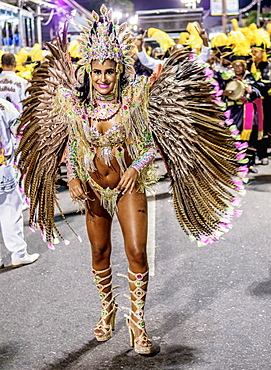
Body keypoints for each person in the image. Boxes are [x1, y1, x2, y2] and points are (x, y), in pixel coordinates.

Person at [16, 5, 247, 355]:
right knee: (99, 250)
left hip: (127, 188)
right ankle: (107, 310)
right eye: (97, 72)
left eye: (110, 71)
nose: (104, 79)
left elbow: (145, 145)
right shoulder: (75, 105)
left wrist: (135, 168)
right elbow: (72, 145)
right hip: (93, 191)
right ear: (88, 71)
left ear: (120, 70)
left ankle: (136, 323)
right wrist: (73, 176)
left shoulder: (135, 98)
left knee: (137, 252)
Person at [0, 98, 39, 268]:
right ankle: (19, 254)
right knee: (10, 211)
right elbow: (21, 133)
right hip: (3, 170)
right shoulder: (4, 106)